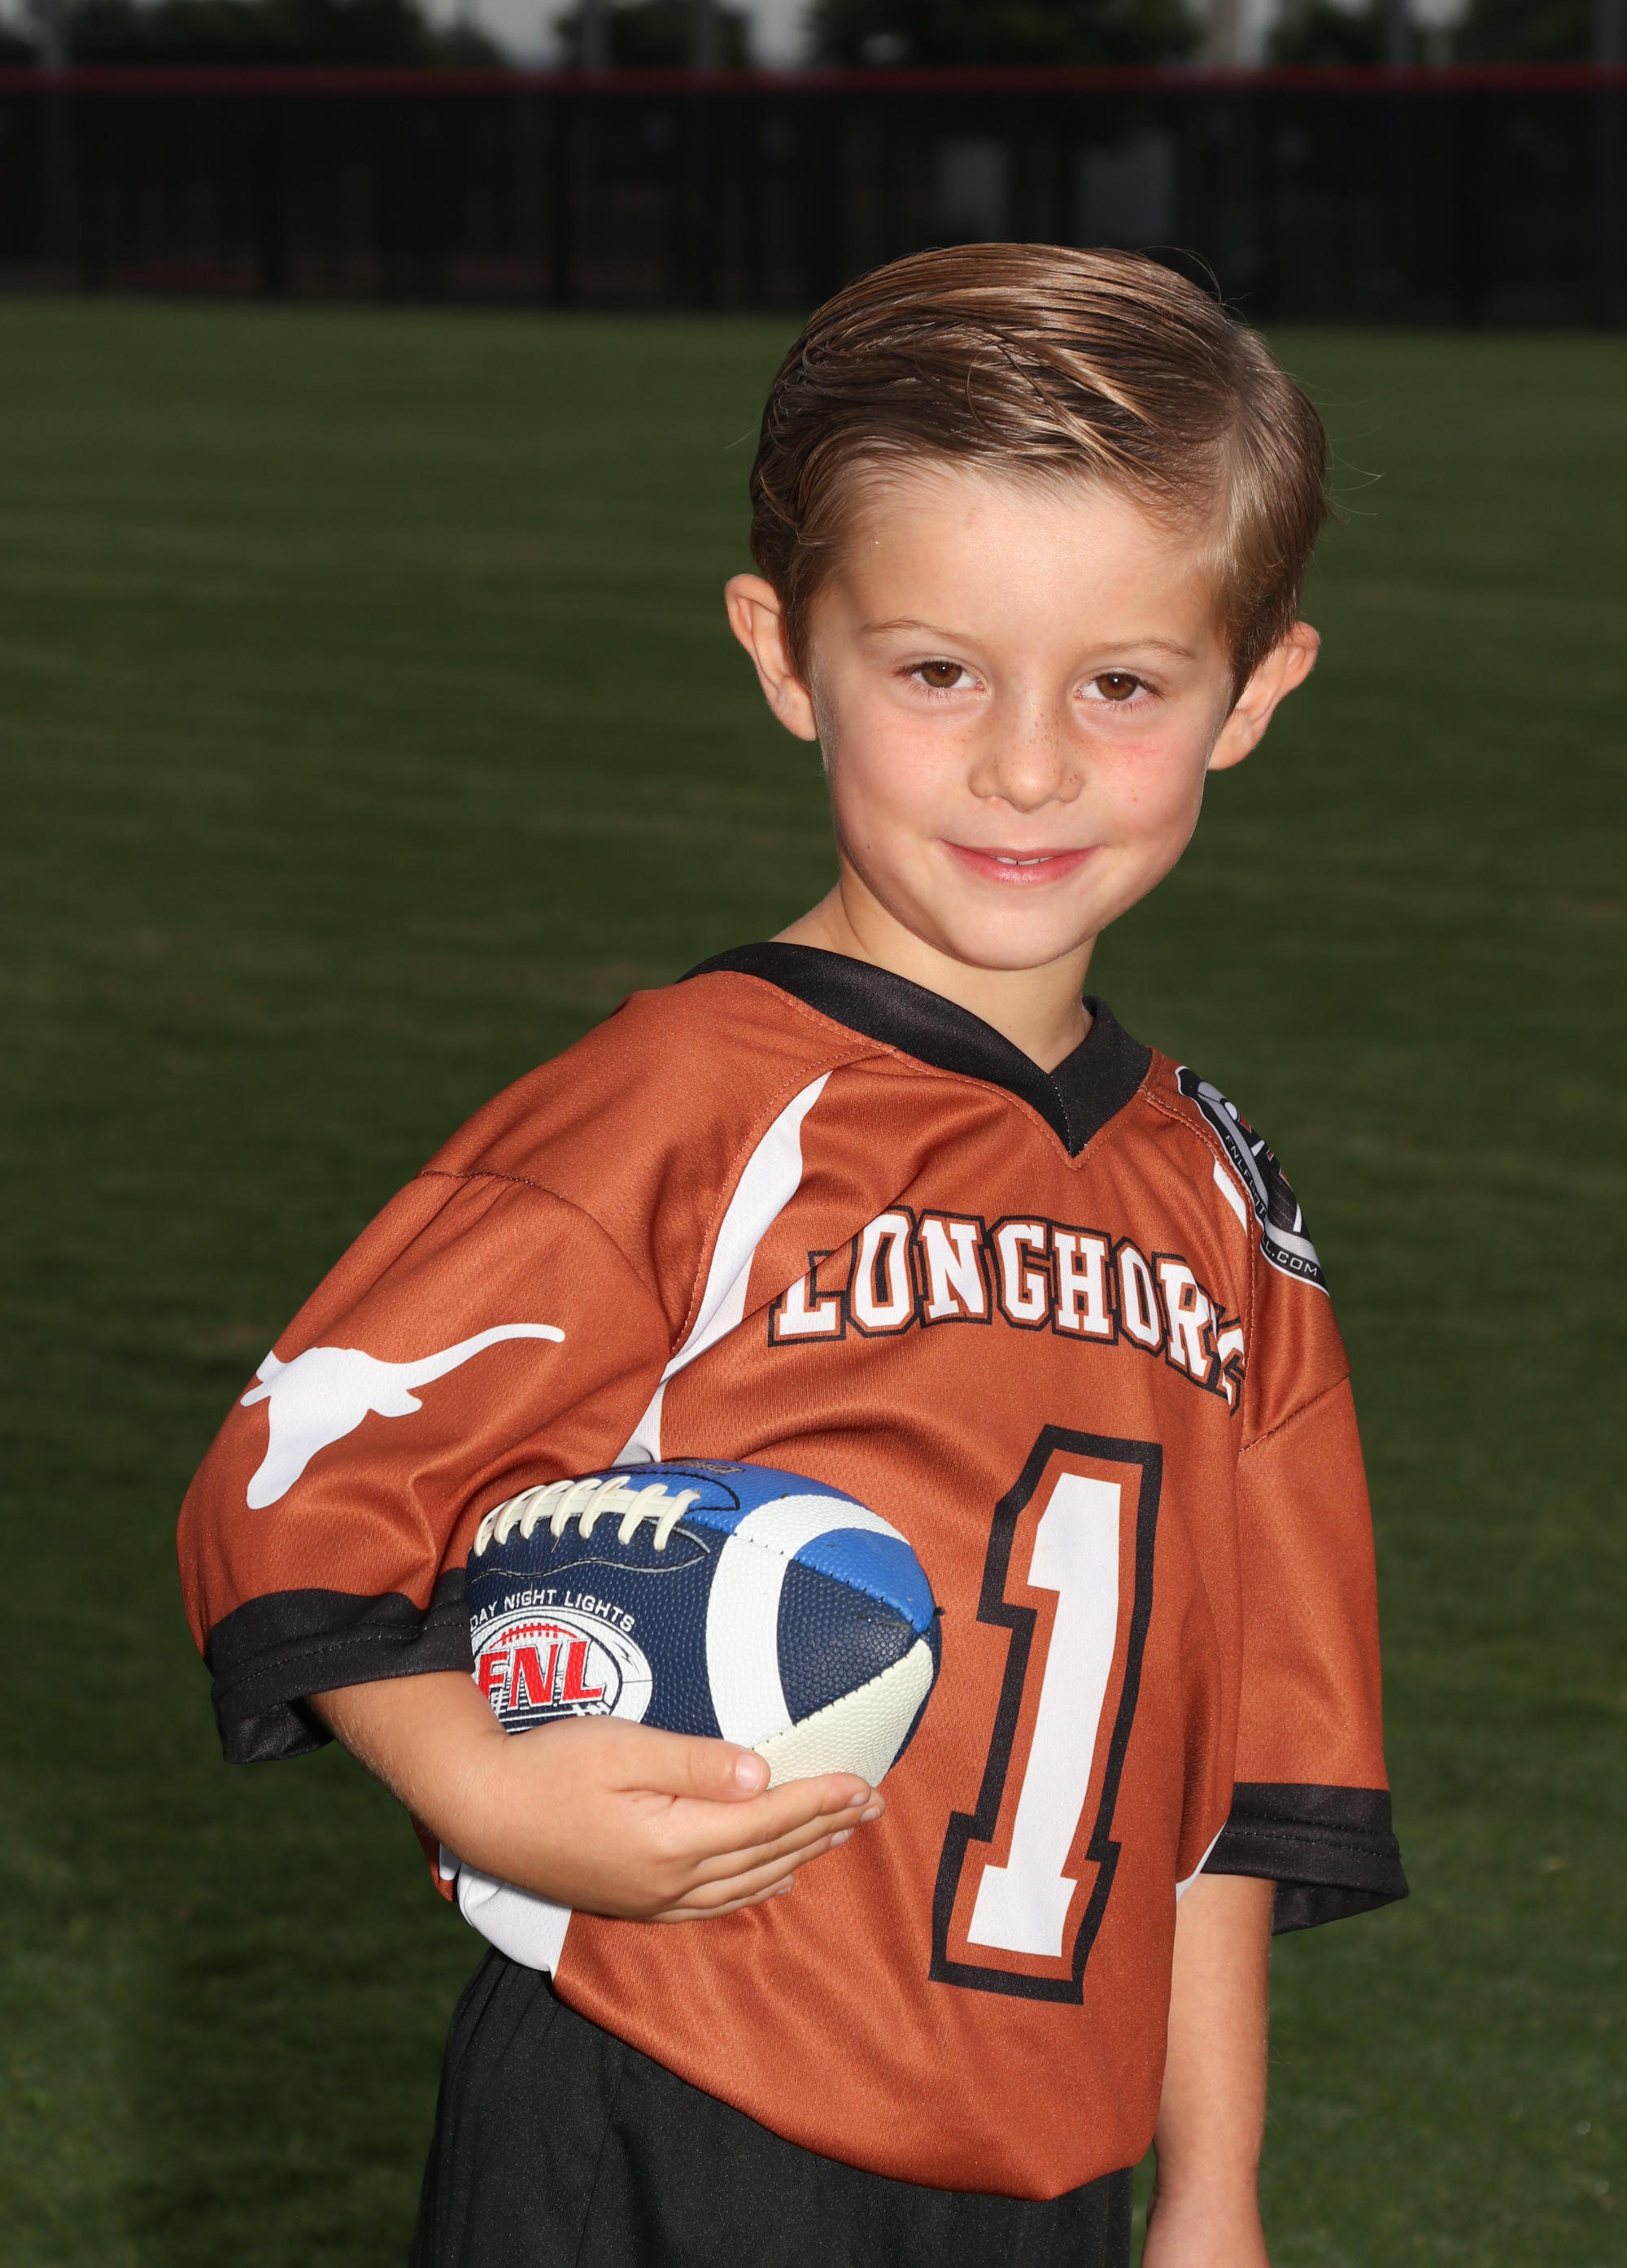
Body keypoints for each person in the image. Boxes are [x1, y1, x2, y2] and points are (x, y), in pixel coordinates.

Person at [178, 244, 1407, 2268]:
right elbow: (297, 1474)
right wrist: (482, 1785)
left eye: (1120, 682)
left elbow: (1220, 1781)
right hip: (673, 2080)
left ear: (1252, 691)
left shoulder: (1217, 1201)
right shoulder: (686, 1100)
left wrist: (1212, 2187)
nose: (1028, 763)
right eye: (937, 672)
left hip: (1050, 2161)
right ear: (785, 654)